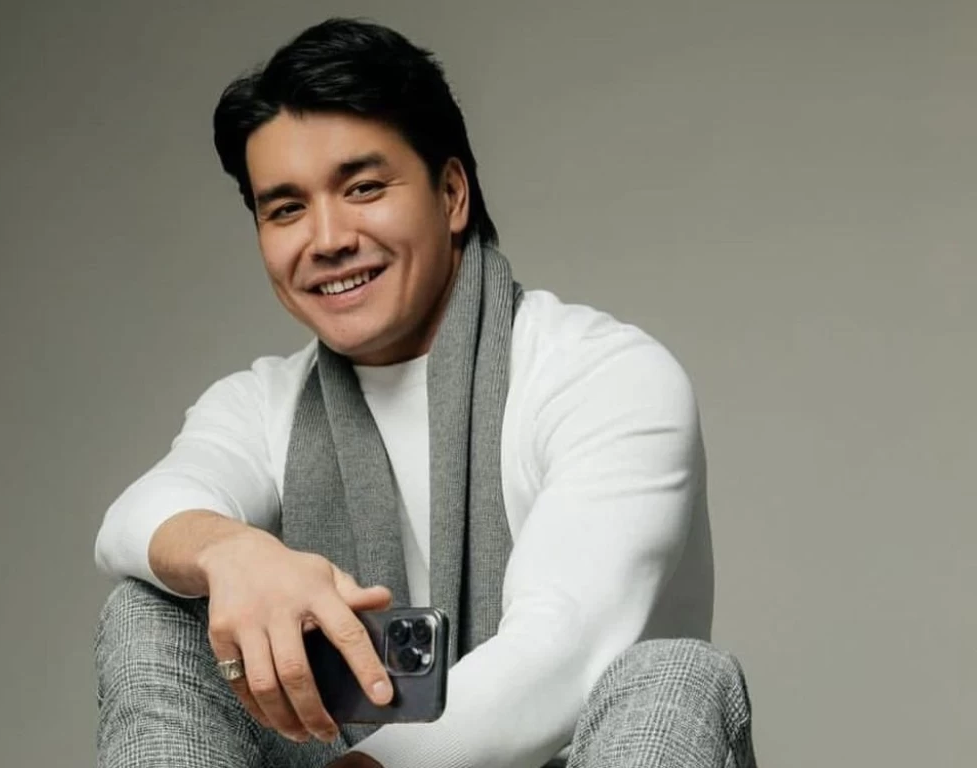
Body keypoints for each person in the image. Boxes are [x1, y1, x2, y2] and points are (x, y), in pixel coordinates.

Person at [93, 17, 756, 768]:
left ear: (451, 194)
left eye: (363, 188)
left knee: (677, 676)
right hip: (324, 752)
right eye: (286, 209)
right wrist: (234, 553)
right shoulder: (262, 405)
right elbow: (134, 518)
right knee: (151, 606)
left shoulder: (602, 375)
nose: (328, 238)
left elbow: (562, 650)